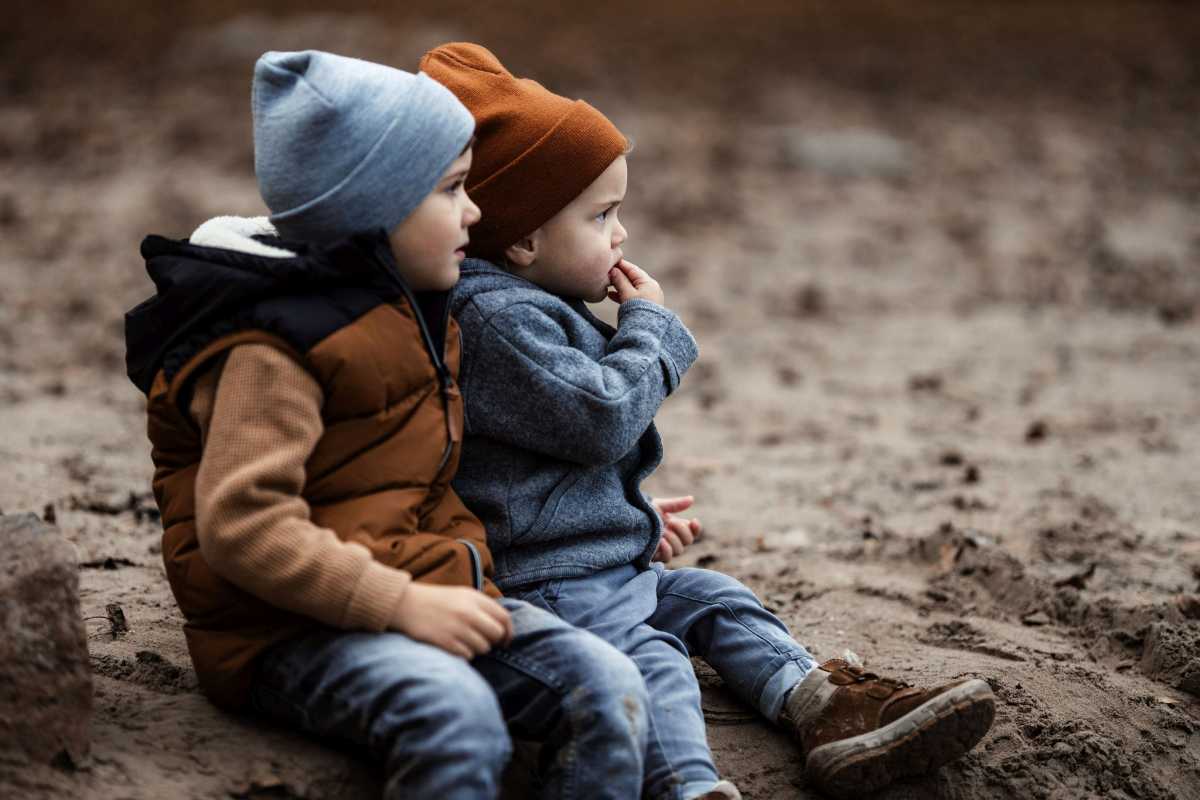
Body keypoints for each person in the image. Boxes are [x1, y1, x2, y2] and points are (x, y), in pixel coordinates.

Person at [421, 42, 996, 800]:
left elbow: (551, 456)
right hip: (547, 584)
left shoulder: (529, 304)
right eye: (601, 216)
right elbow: (597, 418)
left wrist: (624, 514)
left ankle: (824, 707)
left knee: (715, 598)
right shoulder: (494, 319)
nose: (620, 235)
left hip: (586, 562)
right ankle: (688, 786)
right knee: (651, 660)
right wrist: (648, 332)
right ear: (524, 238)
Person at [123, 49, 649, 800]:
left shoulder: (413, 309)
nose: (476, 212)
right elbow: (243, 528)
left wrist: (618, 512)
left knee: (605, 682)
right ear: (373, 209)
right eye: (453, 190)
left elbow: (440, 476)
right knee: (455, 712)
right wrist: (400, 604)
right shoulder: (269, 348)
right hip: (292, 633)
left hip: (426, 593)